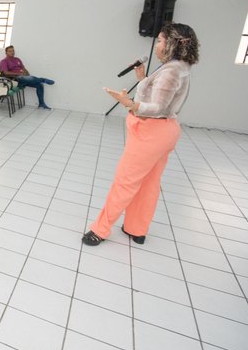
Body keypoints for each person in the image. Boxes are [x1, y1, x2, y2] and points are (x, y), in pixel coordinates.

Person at [82, 23, 199, 246]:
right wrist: (142, 78)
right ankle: (136, 228)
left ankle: (100, 230)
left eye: (161, 41)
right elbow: (162, 97)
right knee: (149, 183)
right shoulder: (180, 66)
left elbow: (158, 107)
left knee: (125, 182)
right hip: (165, 132)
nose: (157, 45)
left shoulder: (172, 70)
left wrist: (131, 104)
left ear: (173, 43)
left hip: (152, 133)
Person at [0, 45, 55, 109]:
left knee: (39, 85)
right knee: (26, 78)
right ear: (6, 53)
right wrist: (19, 74)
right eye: (10, 51)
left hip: (24, 79)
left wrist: (26, 73)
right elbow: (6, 73)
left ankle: (41, 104)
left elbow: (24, 69)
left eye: (13, 51)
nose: (12, 52)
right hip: (15, 80)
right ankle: (43, 79)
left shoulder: (17, 59)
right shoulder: (3, 61)